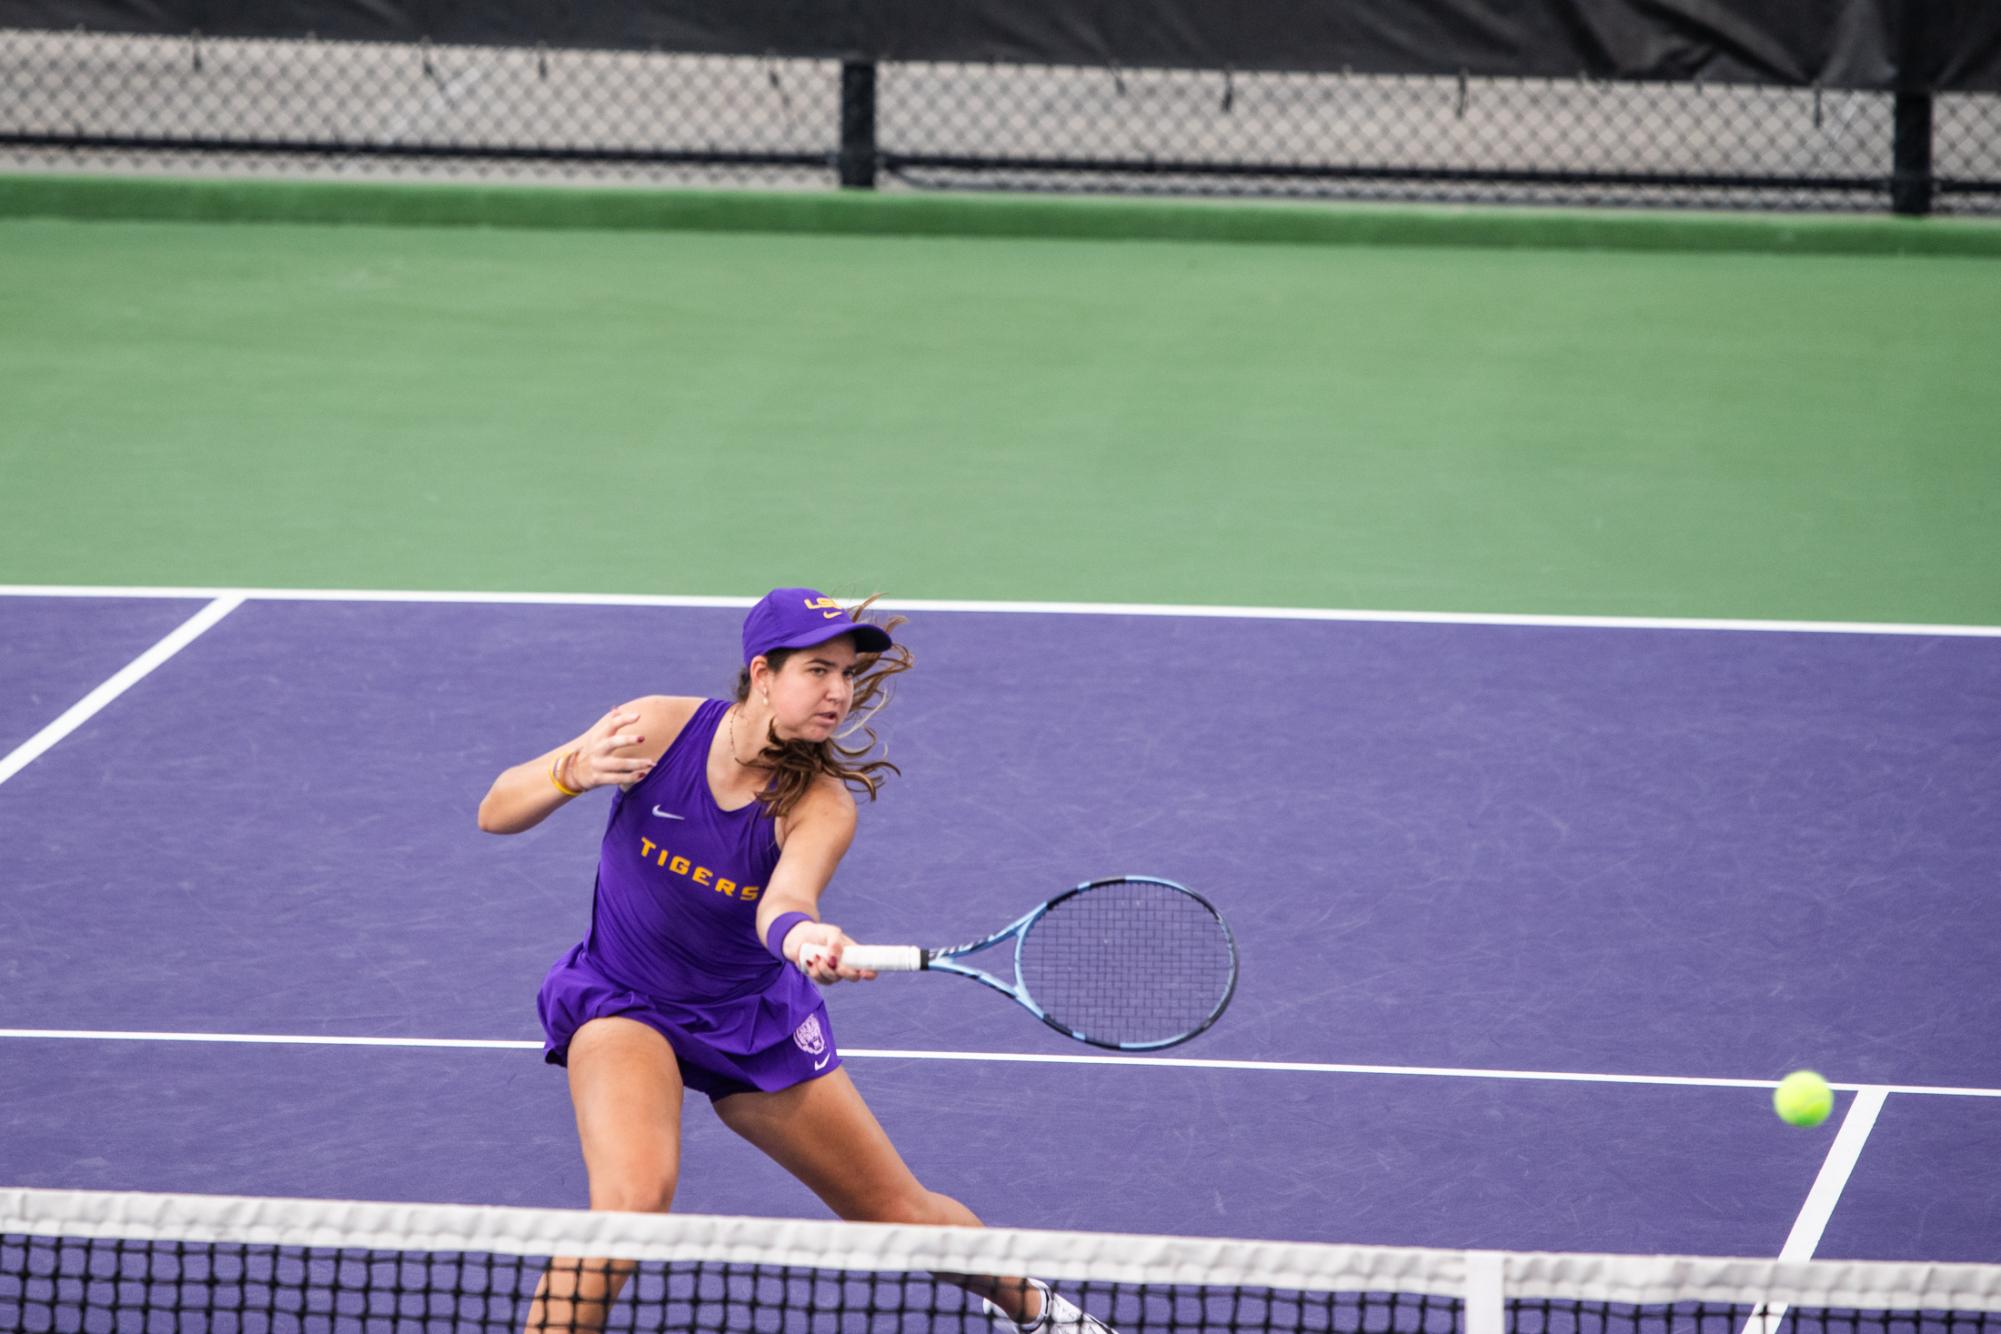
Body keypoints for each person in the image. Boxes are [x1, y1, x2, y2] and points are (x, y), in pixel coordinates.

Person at [477, 588, 1105, 1334]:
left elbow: (785, 902)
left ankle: (1040, 1311)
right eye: (818, 669)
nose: (838, 691)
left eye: (845, 673)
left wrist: (802, 938)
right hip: (625, 1001)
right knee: (629, 1204)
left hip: (751, 1021)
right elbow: (495, 809)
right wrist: (572, 771)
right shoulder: (653, 728)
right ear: (762, 673)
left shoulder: (819, 804)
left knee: (895, 1212)